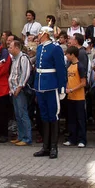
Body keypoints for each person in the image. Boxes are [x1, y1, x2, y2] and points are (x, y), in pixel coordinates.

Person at [33, 26, 67, 159]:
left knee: (53, 116)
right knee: (44, 116)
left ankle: (53, 147)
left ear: (46, 34)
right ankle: (45, 146)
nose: (39, 35)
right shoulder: (40, 48)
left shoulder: (55, 48)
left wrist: (62, 88)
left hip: (51, 86)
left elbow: (60, 69)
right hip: (41, 85)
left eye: (40, 33)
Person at [8, 40, 32, 146]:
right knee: (17, 114)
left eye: (11, 47)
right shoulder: (14, 59)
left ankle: (27, 138)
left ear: (17, 48)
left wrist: (19, 87)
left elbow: (25, 74)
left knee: (23, 114)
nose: (9, 49)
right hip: (13, 90)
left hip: (20, 90)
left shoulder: (23, 58)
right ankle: (21, 136)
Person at [64, 46, 87, 148]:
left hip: (79, 97)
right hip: (70, 97)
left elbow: (83, 83)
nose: (66, 56)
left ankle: (82, 139)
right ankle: (72, 138)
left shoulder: (80, 66)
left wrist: (72, 89)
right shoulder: (69, 65)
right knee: (71, 119)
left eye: (67, 54)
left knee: (80, 119)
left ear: (72, 55)